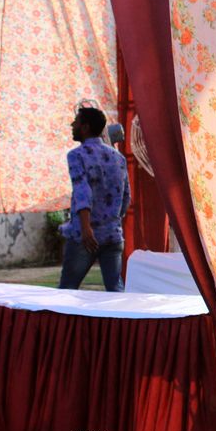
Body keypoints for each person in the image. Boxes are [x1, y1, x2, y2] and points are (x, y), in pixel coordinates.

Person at [58, 106, 130, 292]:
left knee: (67, 289)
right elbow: (126, 196)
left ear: (85, 127)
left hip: (84, 235)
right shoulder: (118, 158)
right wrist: (113, 220)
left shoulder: (76, 155)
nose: (72, 125)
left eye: (76, 122)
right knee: (115, 289)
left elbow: (82, 191)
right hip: (113, 234)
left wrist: (86, 228)